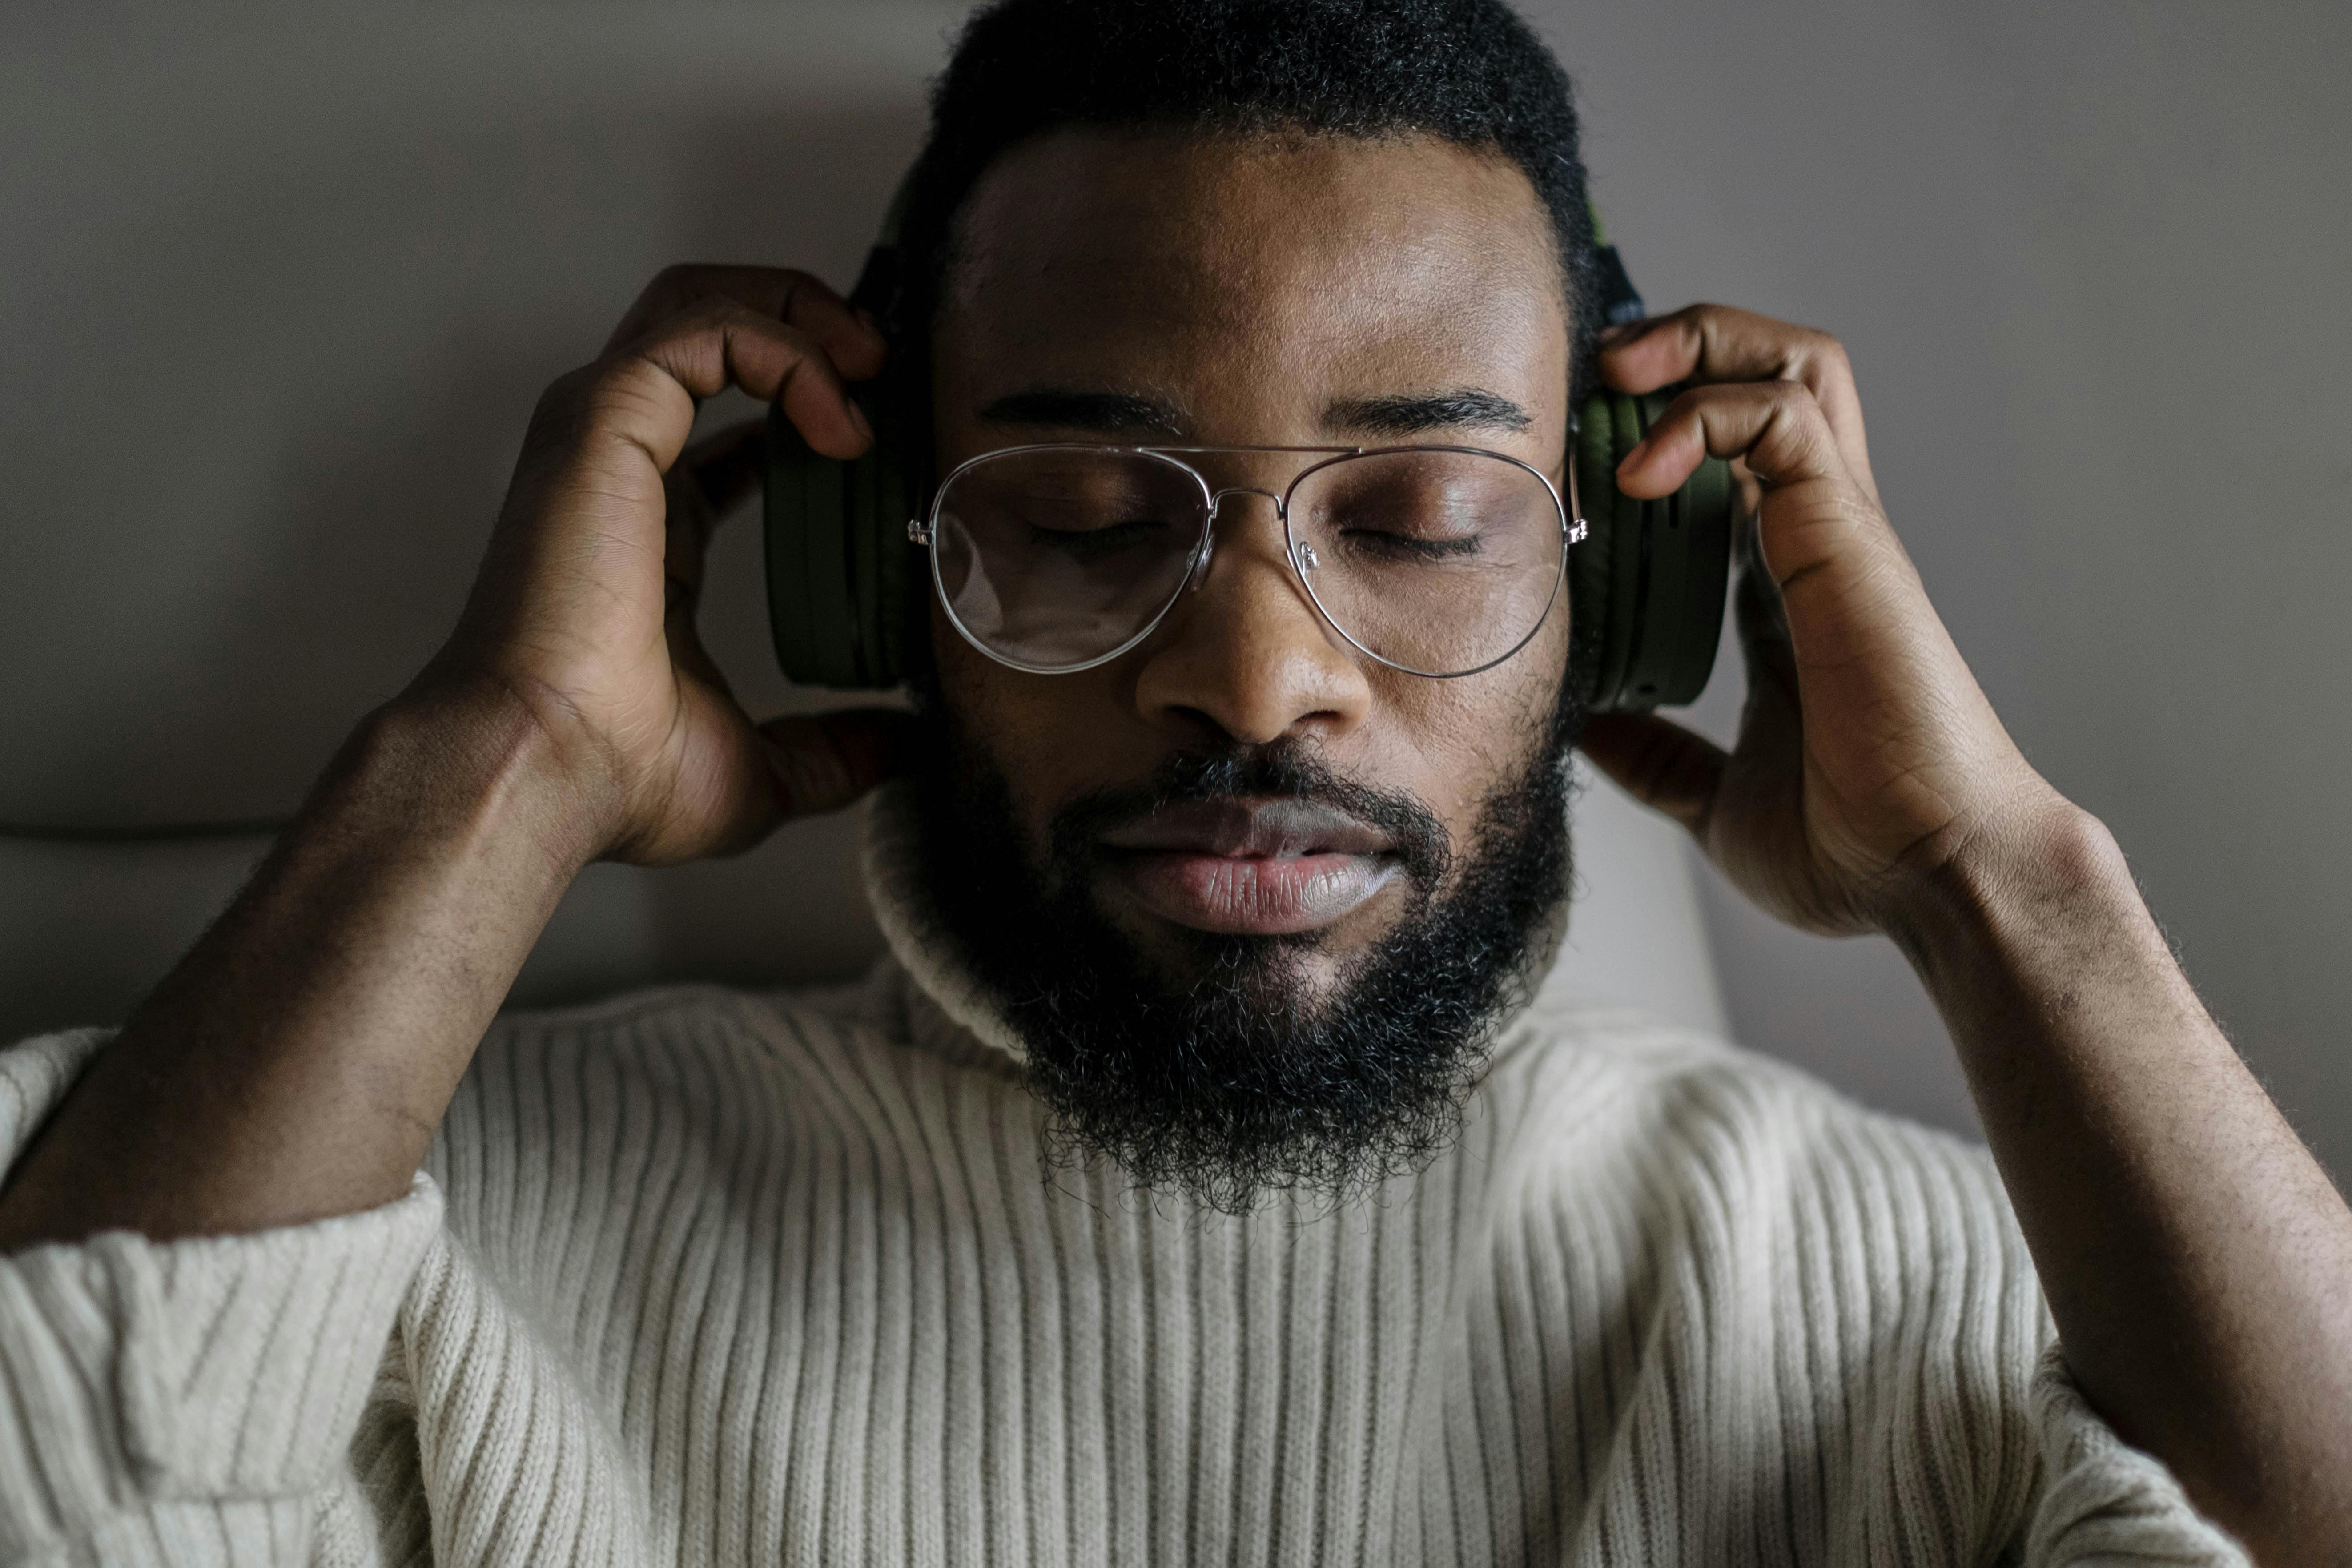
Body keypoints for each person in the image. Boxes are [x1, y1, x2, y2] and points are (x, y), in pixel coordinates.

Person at [0, 0, 2344, 1561]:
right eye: (1088, 522)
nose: (1255, 679)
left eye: (1421, 526)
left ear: (1616, 592)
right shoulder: (423, 1225)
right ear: (869, 567)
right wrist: (499, 759)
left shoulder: (1901, 1292)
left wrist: (1992, 875)